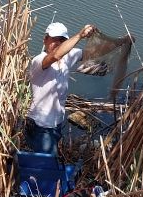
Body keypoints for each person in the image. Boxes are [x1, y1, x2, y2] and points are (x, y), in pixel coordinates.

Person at [24, 21, 96, 155]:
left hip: (56, 123)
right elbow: (56, 55)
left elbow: (92, 53)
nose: (57, 43)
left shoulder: (68, 57)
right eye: (54, 39)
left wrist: (116, 42)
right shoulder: (39, 61)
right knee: (46, 162)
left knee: (45, 160)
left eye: (62, 40)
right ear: (45, 40)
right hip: (40, 124)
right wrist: (80, 35)